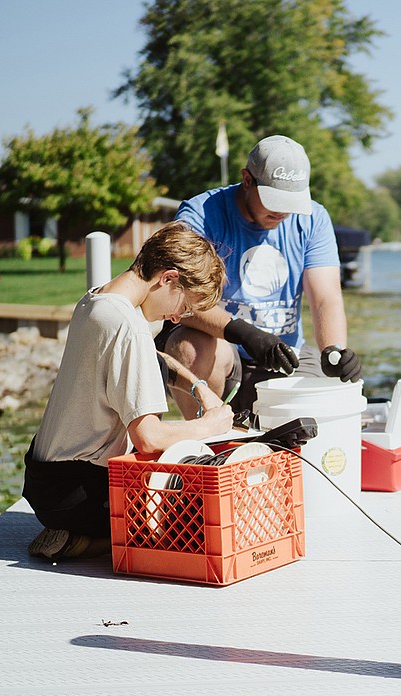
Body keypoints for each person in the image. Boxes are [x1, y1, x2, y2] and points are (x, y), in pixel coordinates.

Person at [23, 222, 234, 560]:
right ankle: (91, 541)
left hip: (44, 482)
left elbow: (152, 357)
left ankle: (79, 532)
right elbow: (148, 436)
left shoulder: (97, 301)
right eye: (185, 304)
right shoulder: (128, 327)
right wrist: (211, 426)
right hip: (81, 494)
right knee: (198, 516)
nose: (178, 317)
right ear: (168, 279)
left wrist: (198, 387)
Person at [157, 134, 362, 421]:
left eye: (291, 202)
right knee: (188, 347)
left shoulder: (314, 218)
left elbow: (326, 297)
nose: (282, 212)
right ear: (247, 180)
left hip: (286, 354)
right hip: (224, 353)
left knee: (323, 408)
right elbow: (176, 298)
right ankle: (207, 441)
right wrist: (244, 333)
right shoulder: (200, 215)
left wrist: (334, 350)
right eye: (274, 200)